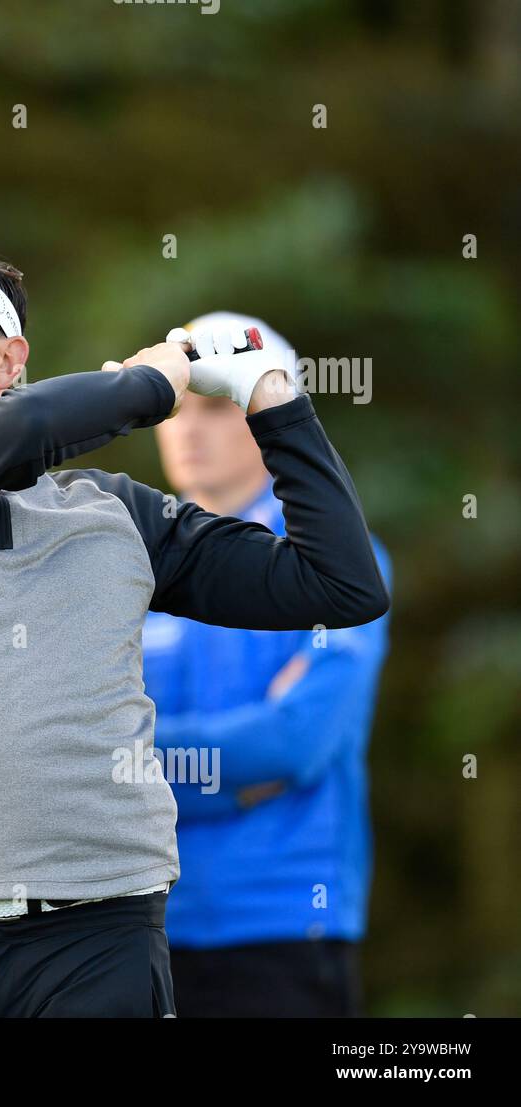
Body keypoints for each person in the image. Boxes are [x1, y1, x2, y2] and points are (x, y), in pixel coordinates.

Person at [0, 227, 390, 1018]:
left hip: (98, 951)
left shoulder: (113, 514)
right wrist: (147, 386)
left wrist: (274, 397)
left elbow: (339, 581)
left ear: (10, 360)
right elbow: (17, 431)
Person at [145, 312, 392, 1017]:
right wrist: (240, 769)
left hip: (282, 927)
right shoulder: (125, 564)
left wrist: (141, 764)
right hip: (143, 925)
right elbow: (86, 752)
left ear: (267, 408)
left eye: (217, 407)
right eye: (174, 407)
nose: (189, 429)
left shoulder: (343, 562)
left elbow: (296, 741)